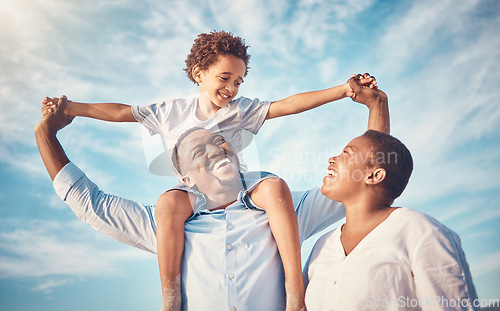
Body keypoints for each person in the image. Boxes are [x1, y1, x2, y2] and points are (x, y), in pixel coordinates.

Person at [42, 30, 379, 310]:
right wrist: (70, 108)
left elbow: (289, 104)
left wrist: (343, 90)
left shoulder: (241, 110)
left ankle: (294, 291)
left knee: (276, 188)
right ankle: (170, 298)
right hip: (192, 194)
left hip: (244, 188)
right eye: (225, 78)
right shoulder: (170, 111)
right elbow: (119, 113)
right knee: (168, 205)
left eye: (239, 81)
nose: (232, 89)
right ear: (198, 74)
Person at [303, 130, 479, 310]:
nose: (332, 159)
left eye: (347, 153)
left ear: (374, 176)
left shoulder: (421, 231)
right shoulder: (322, 245)